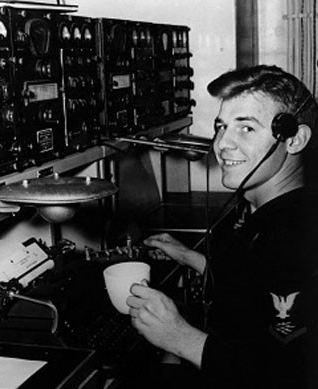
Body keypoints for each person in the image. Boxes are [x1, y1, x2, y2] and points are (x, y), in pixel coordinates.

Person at [126, 65, 318, 389]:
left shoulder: (296, 236)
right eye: (221, 126)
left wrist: (180, 338)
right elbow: (253, 287)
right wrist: (191, 258)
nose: (222, 144)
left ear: (294, 139)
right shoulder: (261, 207)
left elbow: (290, 375)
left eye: (246, 129)